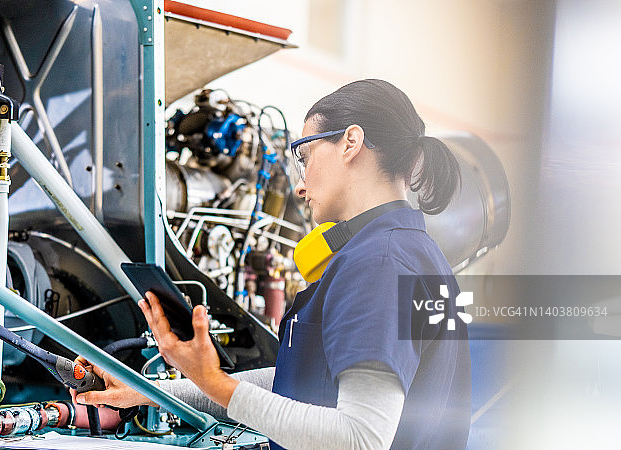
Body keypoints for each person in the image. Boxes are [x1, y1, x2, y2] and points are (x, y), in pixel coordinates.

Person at [75, 79, 471, 449]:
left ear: (350, 142)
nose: (300, 185)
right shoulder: (408, 252)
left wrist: (216, 383)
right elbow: (296, 383)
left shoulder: (380, 263)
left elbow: (360, 437)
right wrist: (148, 390)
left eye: (306, 156)